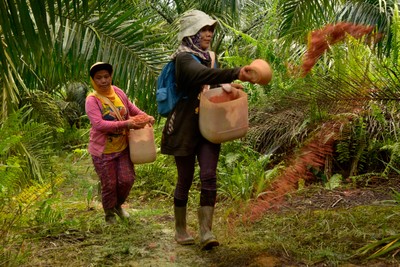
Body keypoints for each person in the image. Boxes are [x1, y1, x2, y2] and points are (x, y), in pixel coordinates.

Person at [160, 10, 256, 250]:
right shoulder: (183, 59)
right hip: (183, 125)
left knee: (209, 175)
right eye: (203, 29)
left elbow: (210, 81)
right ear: (191, 33)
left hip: (209, 123)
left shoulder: (211, 56)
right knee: (185, 178)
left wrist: (226, 86)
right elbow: (198, 75)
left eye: (211, 29)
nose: (208, 33)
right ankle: (181, 229)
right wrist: (236, 71)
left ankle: (206, 231)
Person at [85, 62, 155, 224]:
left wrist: (146, 117)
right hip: (103, 151)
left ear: (111, 77)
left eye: (106, 76)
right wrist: (126, 124)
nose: (103, 80)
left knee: (127, 179)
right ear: (93, 80)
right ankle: (109, 213)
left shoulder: (118, 92)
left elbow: (131, 108)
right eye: (99, 78)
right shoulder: (92, 100)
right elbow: (99, 125)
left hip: (123, 147)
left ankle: (118, 205)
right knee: (109, 184)